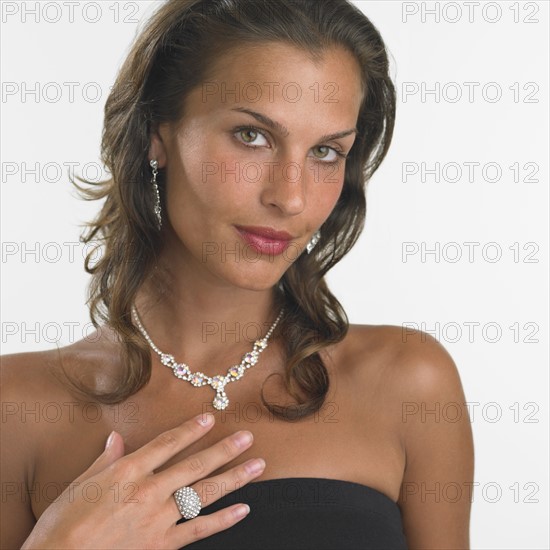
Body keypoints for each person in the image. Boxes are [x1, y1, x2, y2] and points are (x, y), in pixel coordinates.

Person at [1, 0, 474, 548]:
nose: (291, 197)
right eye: (253, 135)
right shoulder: (18, 410)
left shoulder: (409, 383)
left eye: (325, 151)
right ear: (159, 130)